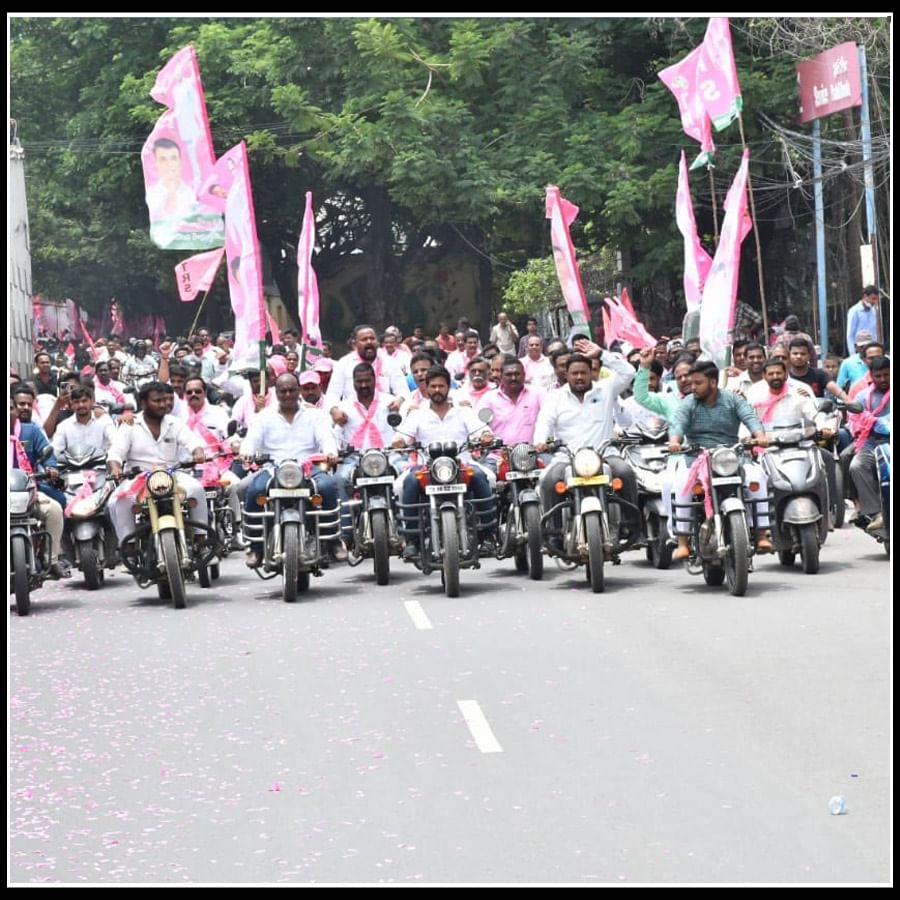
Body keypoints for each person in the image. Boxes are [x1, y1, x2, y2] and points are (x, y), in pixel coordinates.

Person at [667, 360, 771, 560]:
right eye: (692, 383)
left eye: (698, 383)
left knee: (757, 478)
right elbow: (678, 423)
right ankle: (682, 542)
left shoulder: (733, 399)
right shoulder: (689, 402)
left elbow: (750, 417)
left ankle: (761, 534)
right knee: (681, 485)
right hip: (695, 457)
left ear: (713, 383)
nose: (693, 387)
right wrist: (674, 442)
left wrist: (760, 435)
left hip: (731, 455)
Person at [392, 365, 496, 558]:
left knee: (483, 477)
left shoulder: (463, 412)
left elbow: (482, 430)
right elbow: (401, 437)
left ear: (449, 387)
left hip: (461, 465)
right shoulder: (417, 414)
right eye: (433, 386)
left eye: (441, 386)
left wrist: (486, 435)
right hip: (427, 467)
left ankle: (487, 535)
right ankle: (412, 540)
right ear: (426, 388)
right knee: (409, 482)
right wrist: (399, 441)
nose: (437, 390)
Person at [534, 350, 638, 540]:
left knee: (626, 472)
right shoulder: (555, 397)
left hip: (605, 453)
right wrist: (540, 441)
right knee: (548, 481)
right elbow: (544, 422)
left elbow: (629, 372)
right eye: (575, 373)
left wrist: (601, 354)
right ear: (567, 375)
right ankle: (555, 532)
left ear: (592, 372)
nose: (579, 377)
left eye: (584, 372)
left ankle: (631, 525)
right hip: (567, 456)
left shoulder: (606, 390)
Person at [240, 373, 342, 566]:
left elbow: (326, 438)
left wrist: (330, 452)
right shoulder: (263, 417)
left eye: (292, 390)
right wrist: (246, 453)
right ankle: (256, 547)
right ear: (276, 393)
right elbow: (251, 440)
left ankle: (333, 542)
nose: (288, 394)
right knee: (253, 491)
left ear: (299, 391)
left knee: (328, 486)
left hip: (307, 468)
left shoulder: (315, 415)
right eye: (283, 391)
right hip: (274, 468)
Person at [106, 381, 208, 546]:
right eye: (157, 401)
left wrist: (198, 452)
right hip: (138, 478)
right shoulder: (129, 425)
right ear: (144, 402)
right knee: (119, 501)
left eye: (165, 400)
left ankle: (201, 539)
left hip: (172, 475)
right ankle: (129, 547)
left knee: (196, 489)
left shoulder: (174, 423)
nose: (163, 405)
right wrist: (116, 468)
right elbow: (115, 453)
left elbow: (193, 442)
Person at [331, 362, 399, 543]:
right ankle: (345, 533)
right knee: (339, 479)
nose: (363, 385)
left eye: (367, 381)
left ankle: (406, 529)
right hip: (355, 458)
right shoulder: (343, 407)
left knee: (404, 477)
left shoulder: (389, 402)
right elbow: (336, 435)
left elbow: (403, 424)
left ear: (374, 380)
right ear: (353, 382)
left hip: (388, 455)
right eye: (359, 381)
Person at [9, 397, 69, 578]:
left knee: (54, 509)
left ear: (15, 411)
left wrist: (51, 468)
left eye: (10, 408)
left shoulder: (31, 431)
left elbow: (47, 452)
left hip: (28, 491)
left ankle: (51, 559)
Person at [847, 356, 890, 533]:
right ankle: (875, 513)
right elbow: (854, 419)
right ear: (871, 375)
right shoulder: (863, 396)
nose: (882, 379)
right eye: (878, 376)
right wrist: (868, 423)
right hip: (872, 442)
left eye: (886, 375)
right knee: (856, 466)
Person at [325, 325, 408, 403]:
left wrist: (399, 401)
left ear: (378, 342)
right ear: (355, 343)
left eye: (372, 339)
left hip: (385, 412)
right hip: (352, 414)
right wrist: (335, 409)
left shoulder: (390, 362)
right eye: (364, 339)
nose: (369, 342)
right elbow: (332, 395)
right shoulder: (344, 363)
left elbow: (403, 391)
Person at [479, 356, 543, 447]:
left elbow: (548, 420)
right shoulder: (489, 399)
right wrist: (485, 433)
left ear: (524, 375)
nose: (513, 378)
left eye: (517, 374)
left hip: (532, 454)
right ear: (501, 376)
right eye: (508, 374)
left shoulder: (538, 394)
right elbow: (479, 424)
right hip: (498, 456)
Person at [51, 386, 116, 458]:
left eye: (84, 401)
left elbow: (115, 441)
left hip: (100, 466)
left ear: (92, 401)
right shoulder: (64, 426)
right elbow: (55, 451)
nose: (81, 405)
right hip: (73, 467)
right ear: (71, 404)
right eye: (76, 402)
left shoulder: (104, 420)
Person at [846, 285, 880, 354]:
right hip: (860, 349)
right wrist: (852, 355)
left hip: (872, 349)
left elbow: (874, 332)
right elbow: (850, 335)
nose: (874, 302)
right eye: (872, 299)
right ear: (865, 296)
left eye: (876, 299)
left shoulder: (873, 310)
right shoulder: (854, 311)